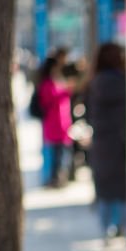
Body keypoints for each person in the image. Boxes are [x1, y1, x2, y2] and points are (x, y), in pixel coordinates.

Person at [85, 43, 126, 240]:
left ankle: (105, 227)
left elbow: (86, 113)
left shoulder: (93, 83)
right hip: (120, 141)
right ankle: (119, 226)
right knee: (121, 187)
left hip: (101, 141)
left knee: (104, 186)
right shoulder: (123, 82)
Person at [36, 50, 72, 188]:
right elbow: (50, 100)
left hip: (60, 124)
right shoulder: (48, 84)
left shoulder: (55, 82)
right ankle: (56, 179)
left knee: (61, 154)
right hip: (55, 124)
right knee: (59, 154)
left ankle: (58, 178)